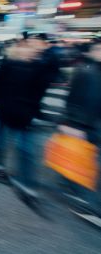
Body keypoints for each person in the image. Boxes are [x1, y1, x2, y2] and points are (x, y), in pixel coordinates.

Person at [0, 37, 52, 206]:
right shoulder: (8, 65)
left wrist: (35, 112)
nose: (31, 50)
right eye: (27, 47)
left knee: (26, 151)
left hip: (25, 116)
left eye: (34, 48)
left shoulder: (39, 68)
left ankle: (27, 186)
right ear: (19, 49)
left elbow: (38, 94)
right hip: (4, 111)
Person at [62, 39, 101, 225]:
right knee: (85, 160)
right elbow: (73, 100)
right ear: (92, 52)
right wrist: (73, 123)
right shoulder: (86, 72)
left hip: (92, 125)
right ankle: (80, 196)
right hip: (87, 126)